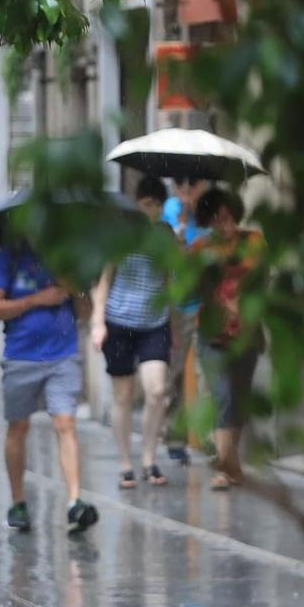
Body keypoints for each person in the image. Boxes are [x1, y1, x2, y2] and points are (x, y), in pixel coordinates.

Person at [0, 242, 98, 534]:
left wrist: (75, 288)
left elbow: (85, 312)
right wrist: (36, 300)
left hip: (63, 354)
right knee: (18, 427)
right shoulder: (10, 258)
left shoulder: (66, 258)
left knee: (65, 423)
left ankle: (74, 501)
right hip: (21, 356)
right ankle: (18, 501)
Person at [90, 181, 176, 488]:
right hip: (119, 321)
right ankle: (126, 462)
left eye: (156, 203)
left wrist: (174, 327)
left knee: (156, 391)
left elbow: (169, 283)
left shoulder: (166, 236)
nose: (149, 208)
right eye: (145, 202)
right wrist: (98, 323)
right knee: (123, 395)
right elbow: (103, 283)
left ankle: (150, 458)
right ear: (135, 203)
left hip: (155, 322)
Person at [190, 187, 265, 490]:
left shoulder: (254, 242)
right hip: (213, 336)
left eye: (229, 217)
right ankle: (225, 467)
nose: (225, 225)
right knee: (222, 397)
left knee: (240, 401)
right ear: (207, 221)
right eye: (218, 219)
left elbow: (260, 278)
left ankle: (230, 462)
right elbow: (190, 289)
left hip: (246, 334)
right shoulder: (200, 248)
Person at [157, 176, 207, 464]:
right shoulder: (168, 211)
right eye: (181, 184)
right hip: (177, 305)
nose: (187, 190)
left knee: (206, 373)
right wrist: (180, 229)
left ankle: (209, 438)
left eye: (193, 184)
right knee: (174, 373)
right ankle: (175, 438)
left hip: (206, 303)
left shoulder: (209, 213)